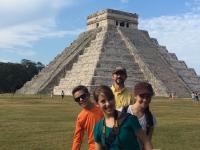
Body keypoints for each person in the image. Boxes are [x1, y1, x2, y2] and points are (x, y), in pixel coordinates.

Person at [93, 85, 153, 150]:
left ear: (114, 98)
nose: (108, 104)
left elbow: (146, 141)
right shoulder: (98, 127)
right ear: (97, 104)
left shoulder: (130, 119)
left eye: (110, 99)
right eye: (103, 101)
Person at [121, 82, 156, 149]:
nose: (145, 100)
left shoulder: (150, 118)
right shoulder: (122, 112)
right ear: (135, 96)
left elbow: (147, 141)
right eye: (142, 96)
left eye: (148, 96)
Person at [72, 85, 103, 150]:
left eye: (82, 96)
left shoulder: (102, 107)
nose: (81, 100)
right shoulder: (81, 117)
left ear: (88, 95)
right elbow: (77, 139)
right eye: (77, 99)